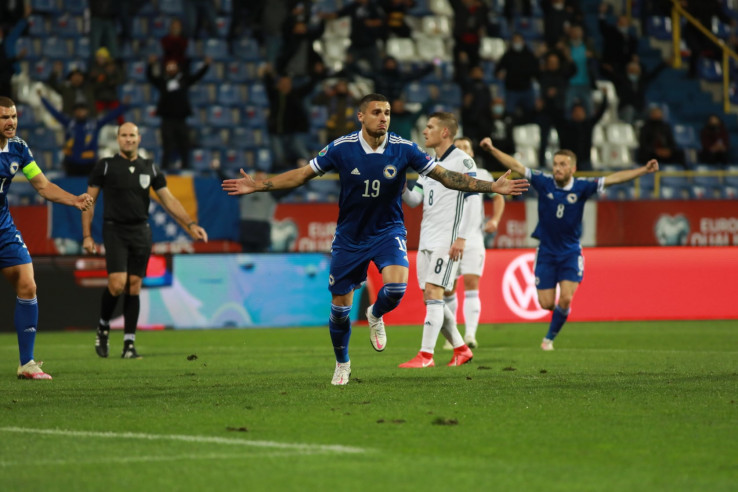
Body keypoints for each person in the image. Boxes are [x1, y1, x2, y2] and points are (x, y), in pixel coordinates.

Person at [222, 93, 529, 385]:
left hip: (388, 231)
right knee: (340, 310)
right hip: (350, 236)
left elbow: (446, 176)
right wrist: (259, 185)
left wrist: (492, 187)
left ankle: (375, 313)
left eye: (387, 113)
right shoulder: (341, 148)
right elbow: (302, 175)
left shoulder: (404, 148)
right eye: (377, 112)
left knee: (396, 288)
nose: (384, 118)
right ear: (361, 116)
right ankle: (342, 363)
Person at [480, 136, 658, 350]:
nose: (558, 168)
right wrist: (492, 149)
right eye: (556, 164)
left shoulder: (582, 187)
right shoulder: (544, 181)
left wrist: (644, 170)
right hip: (546, 252)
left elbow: (614, 179)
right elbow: (516, 166)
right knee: (546, 304)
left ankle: (549, 339)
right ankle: (560, 316)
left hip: (570, 253)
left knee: (565, 298)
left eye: (563, 164)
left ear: (573, 169)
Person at [81, 122, 208, 359]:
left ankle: (129, 345)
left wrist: (190, 224)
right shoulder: (105, 166)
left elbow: (168, 200)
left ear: (139, 139)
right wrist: (87, 235)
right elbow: (89, 201)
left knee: (135, 285)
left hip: (141, 231)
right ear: (118, 139)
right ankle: (103, 326)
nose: (128, 139)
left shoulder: (150, 167)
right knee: (117, 283)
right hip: (115, 230)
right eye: (124, 135)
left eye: (132, 135)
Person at [0, 96, 94, 379]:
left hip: (3, 227)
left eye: (14, 116)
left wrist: (73, 200)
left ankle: (26, 363)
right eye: (4, 117)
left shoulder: (18, 148)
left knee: (28, 284)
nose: (11, 122)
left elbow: (42, 185)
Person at [399, 114, 478, 368]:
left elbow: (473, 202)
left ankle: (426, 355)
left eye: (430, 127)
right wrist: (401, 185)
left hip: (447, 239)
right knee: (431, 298)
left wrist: (462, 238)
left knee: (434, 293)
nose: (425, 131)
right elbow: (415, 200)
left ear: (444, 132)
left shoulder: (463, 161)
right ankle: (461, 349)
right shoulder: (429, 165)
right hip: (427, 239)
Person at [442, 137, 505, 349]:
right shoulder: (443, 174)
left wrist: (495, 220)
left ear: (472, 153)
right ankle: (452, 337)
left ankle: (470, 335)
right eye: (458, 147)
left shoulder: (482, 174)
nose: (462, 150)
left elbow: (498, 196)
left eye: (466, 147)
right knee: (448, 289)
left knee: (471, 285)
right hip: (448, 238)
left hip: (473, 239)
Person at [38, 90, 128, 176]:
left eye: (82, 109)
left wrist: (123, 106)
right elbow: (55, 113)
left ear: (87, 111)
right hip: (71, 163)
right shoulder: (69, 123)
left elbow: (110, 116)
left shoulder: (94, 124)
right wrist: (43, 99)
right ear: (74, 112)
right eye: (77, 110)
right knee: (71, 186)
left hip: (90, 163)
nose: (80, 112)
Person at [146, 55, 210, 170]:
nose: (171, 68)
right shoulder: (162, 81)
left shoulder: (184, 80)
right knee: (167, 145)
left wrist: (206, 65)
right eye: (169, 66)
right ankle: (164, 168)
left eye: (173, 66)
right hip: (167, 119)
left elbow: (197, 76)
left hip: (181, 119)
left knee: (184, 144)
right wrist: (150, 65)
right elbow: (150, 77)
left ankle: (185, 167)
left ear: (178, 68)